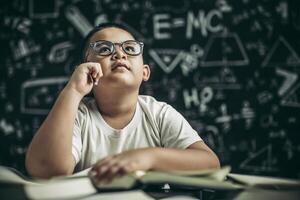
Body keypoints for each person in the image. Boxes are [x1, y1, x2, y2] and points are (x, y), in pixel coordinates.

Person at [25, 23, 220, 183]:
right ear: (84, 69)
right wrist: (73, 90)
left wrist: (148, 157)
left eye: (129, 48)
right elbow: (47, 170)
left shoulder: (159, 114)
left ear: (145, 72)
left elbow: (210, 163)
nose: (119, 54)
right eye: (104, 49)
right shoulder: (78, 115)